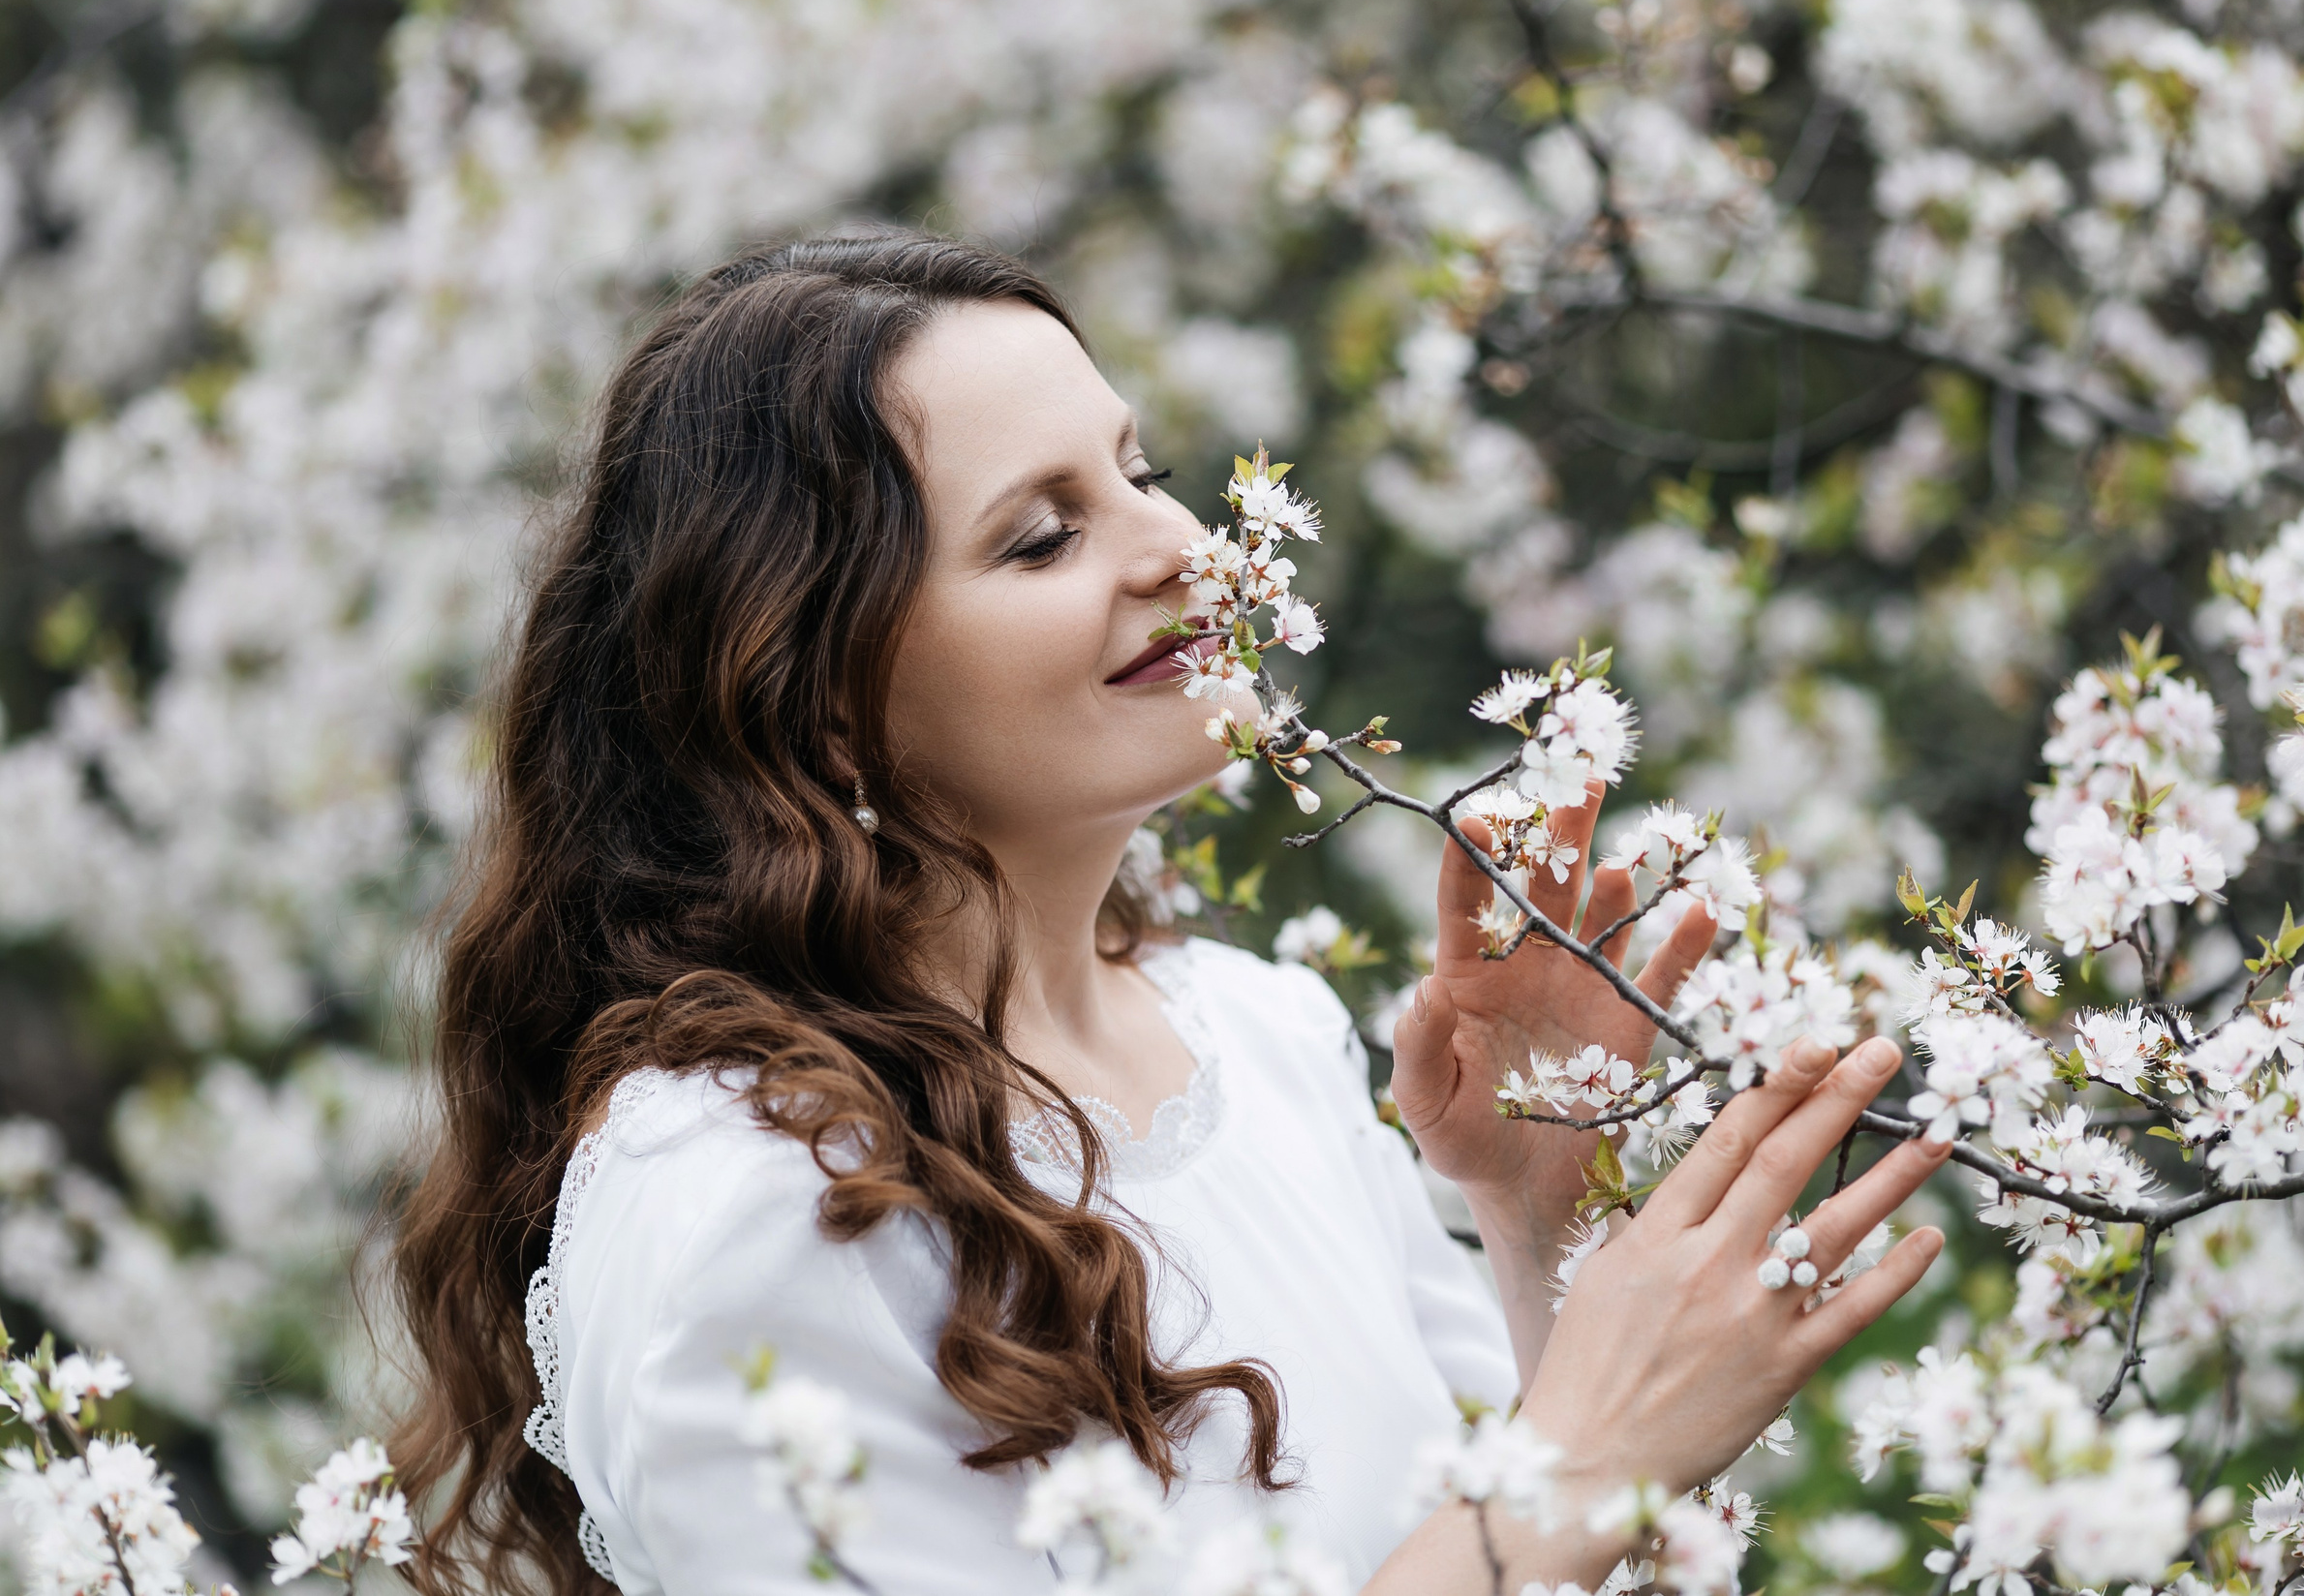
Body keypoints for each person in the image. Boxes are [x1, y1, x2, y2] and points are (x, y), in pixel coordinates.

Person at [387, 229, 1951, 1595]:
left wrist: (1540, 1225)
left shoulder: (1257, 1032)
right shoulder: (762, 1206)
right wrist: (1594, 1452)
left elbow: (1517, 1554)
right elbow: (1540, 1506)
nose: (1188, 551)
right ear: (820, 704)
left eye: (1139, 470)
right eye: (1043, 533)